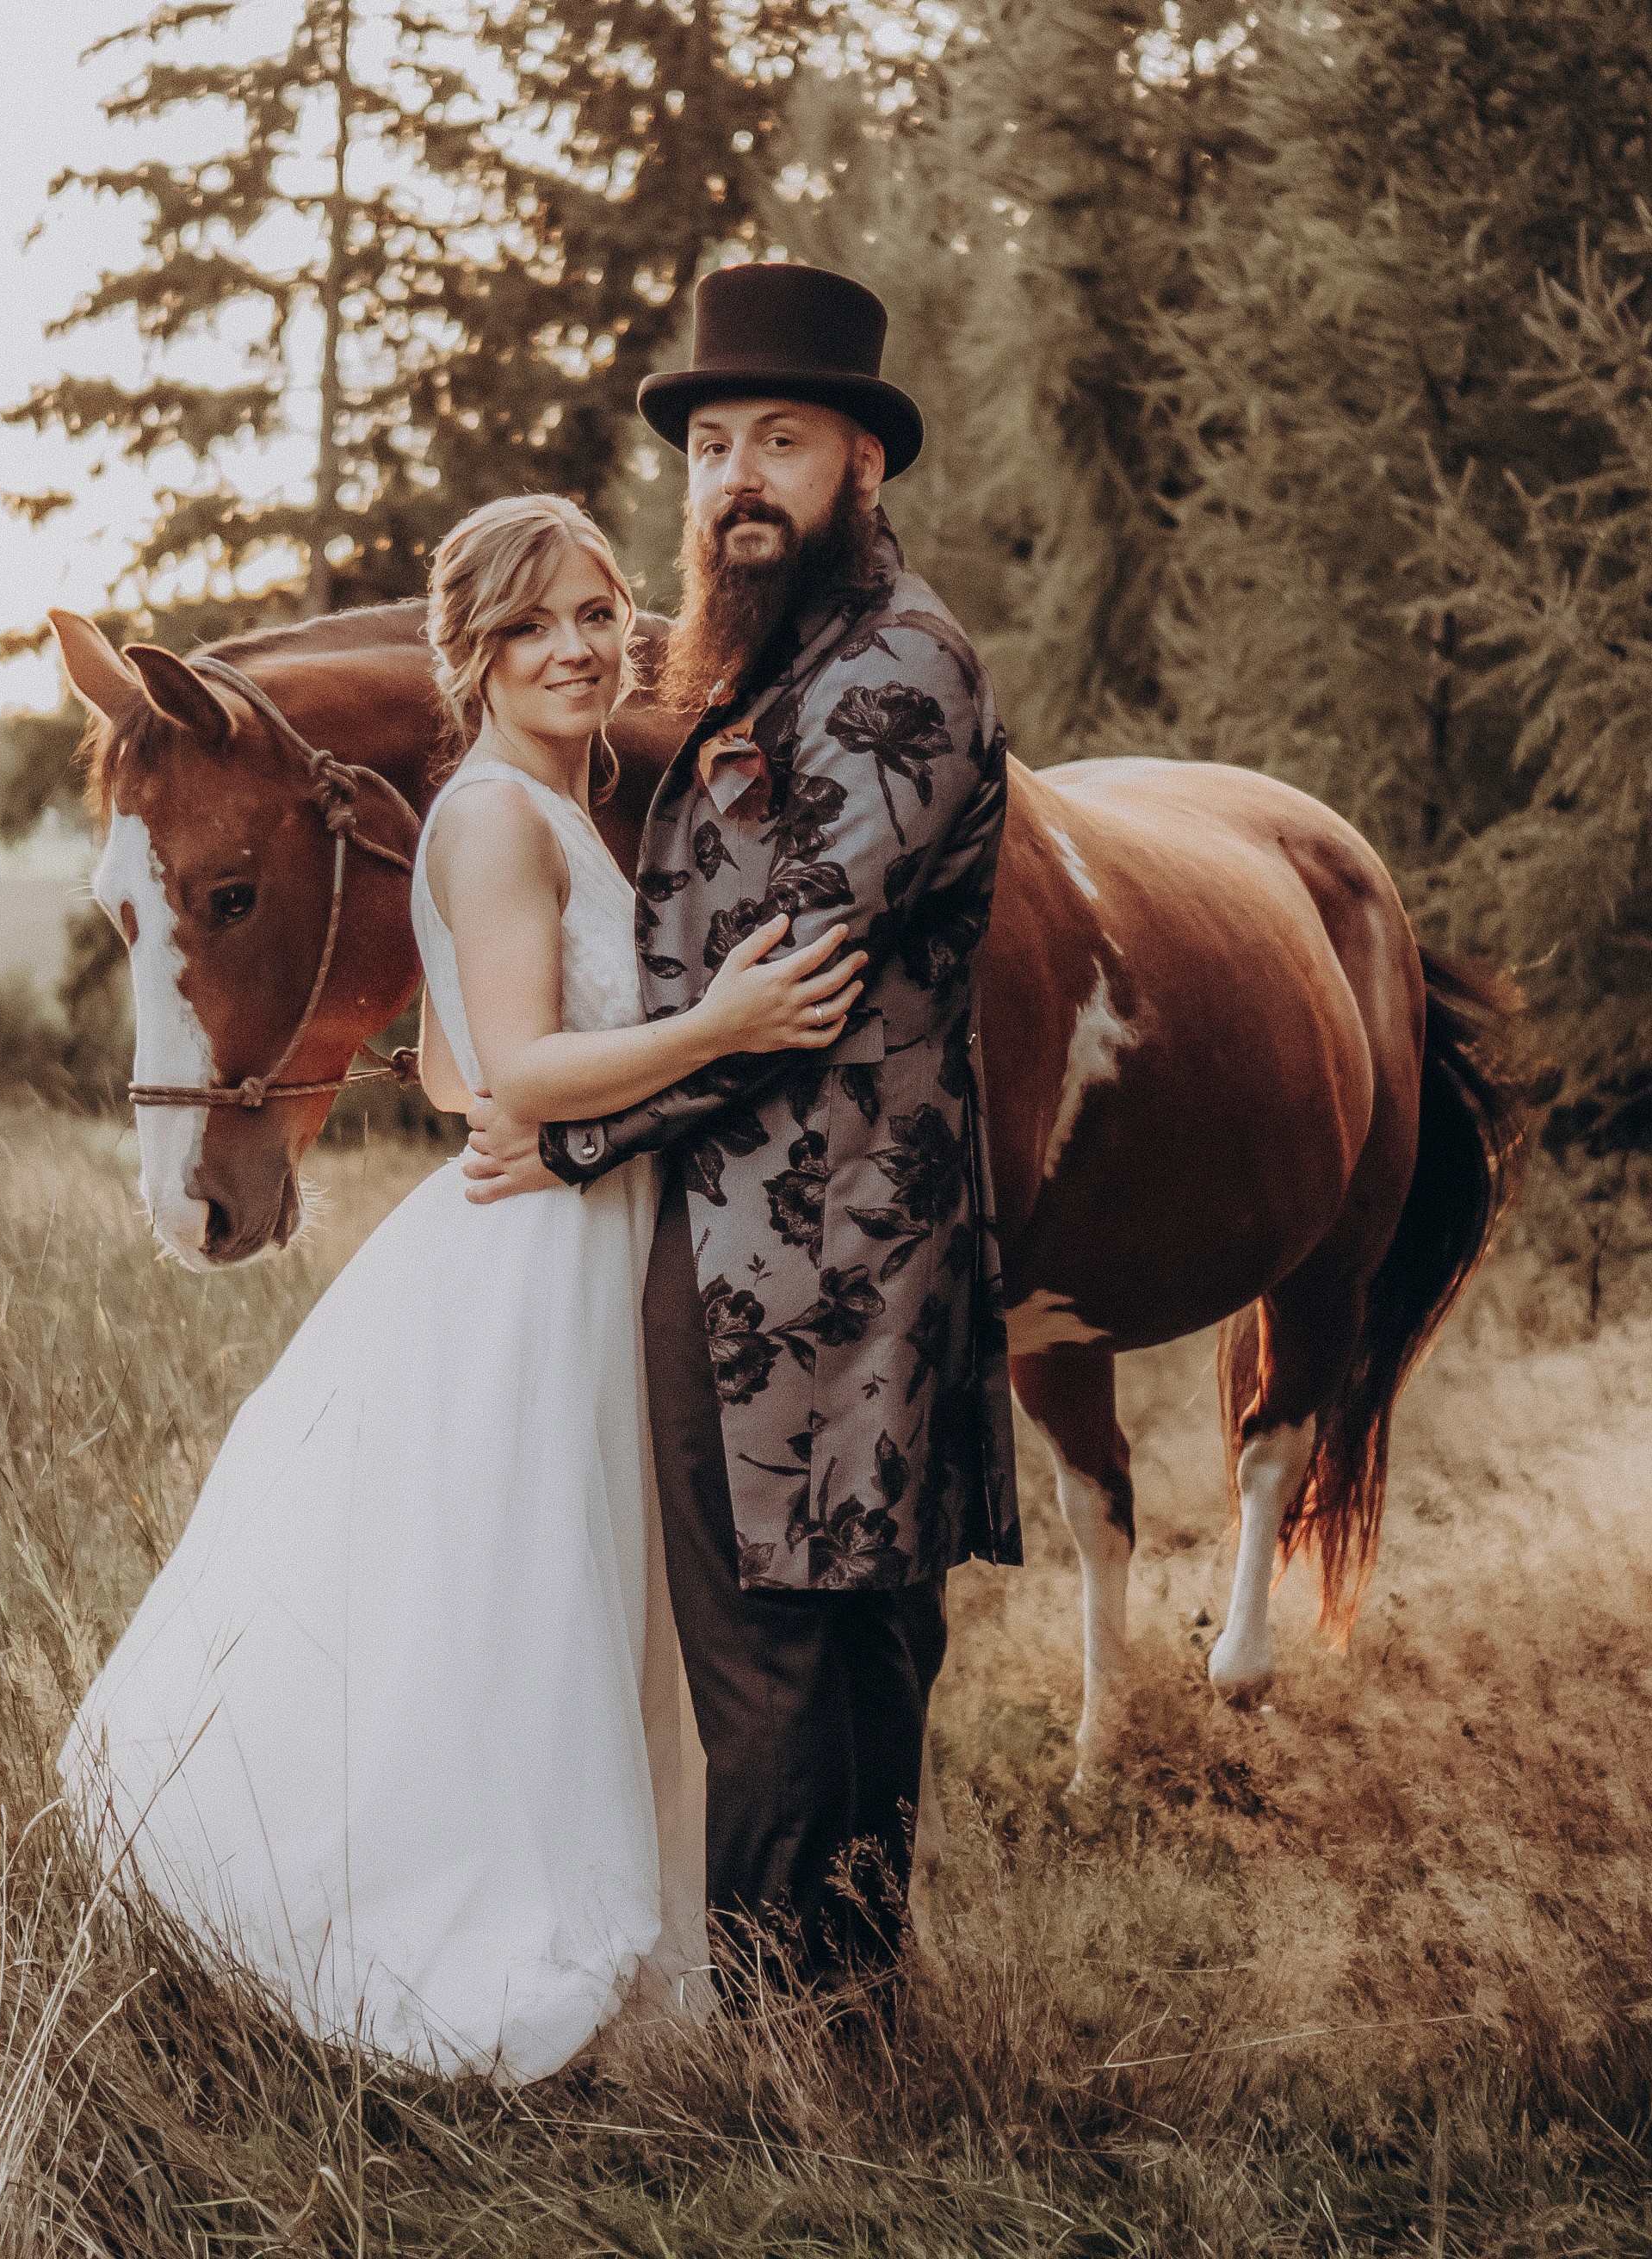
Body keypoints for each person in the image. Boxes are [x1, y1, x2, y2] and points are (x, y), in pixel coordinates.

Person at [58, 492, 868, 2083]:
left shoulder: (524, 808)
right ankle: (542, 1936)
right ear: (472, 658)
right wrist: (727, 1025)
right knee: (552, 1600)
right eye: (529, 627)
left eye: (595, 614)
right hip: (558, 1251)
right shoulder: (499, 817)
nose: (575, 648)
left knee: (567, 1599)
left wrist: (521, 1090)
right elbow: (537, 1066)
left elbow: (446, 1069)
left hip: (560, 1217)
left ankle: (657, 1948)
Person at [462, 263, 1018, 1997]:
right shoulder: (761, 674)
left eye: (781, 439)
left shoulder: (896, 674)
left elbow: (780, 989)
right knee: (827, 1650)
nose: (736, 478)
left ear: (865, 464)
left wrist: (564, 1141)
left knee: (796, 1653)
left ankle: (794, 2046)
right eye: (711, 445)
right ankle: (837, 2027)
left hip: (827, 1259)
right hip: (759, 1248)